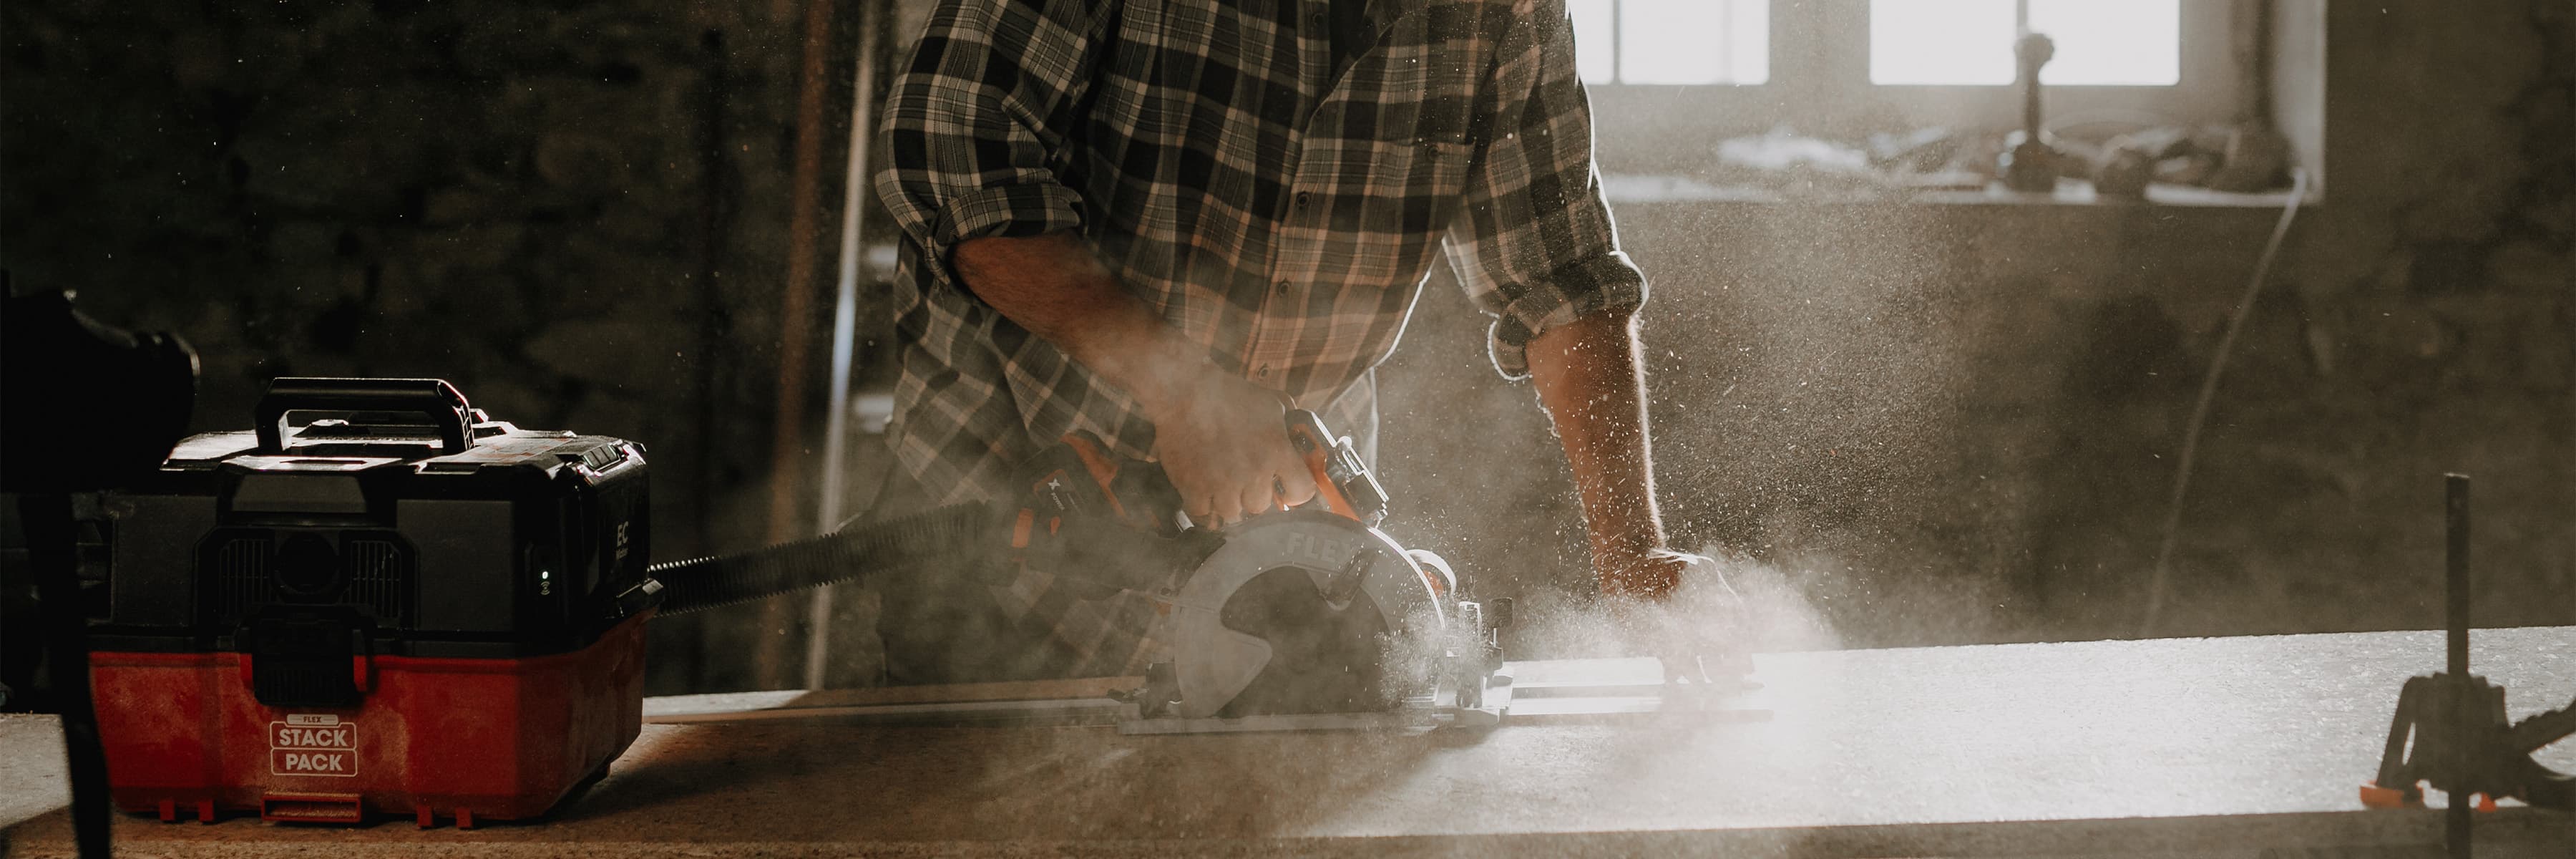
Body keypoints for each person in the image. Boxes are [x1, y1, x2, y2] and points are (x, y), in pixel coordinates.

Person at [868, 0, 1717, 684]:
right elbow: (951, 159)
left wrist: (1631, 553)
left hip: (1275, 565)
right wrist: (1184, 391)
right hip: (997, 519)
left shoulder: (1503, 13)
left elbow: (1565, 282)